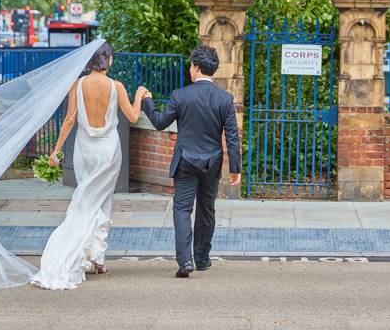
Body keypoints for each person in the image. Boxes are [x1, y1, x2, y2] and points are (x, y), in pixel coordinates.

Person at [30, 41, 149, 290]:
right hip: (108, 151)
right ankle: (97, 258)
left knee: (84, 199)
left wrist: (56, 150)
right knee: (102, 201)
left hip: (83, 150)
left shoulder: (78, 84)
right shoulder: (117, 86)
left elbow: (70, 119)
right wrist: (139, 96)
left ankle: (83, 253)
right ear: (109, 60)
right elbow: (134, 116)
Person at [139, 44, 241, 278]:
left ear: (195, 67)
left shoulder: (180, 95)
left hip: (185, 161)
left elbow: (159, 122)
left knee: (182, 210)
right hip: (212, 163)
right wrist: (235, 168)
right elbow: (232, 136)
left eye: (191, 66)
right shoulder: (225, 99)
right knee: (207, 210)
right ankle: (202, 259)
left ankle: (185, 261)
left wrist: (148, 102)